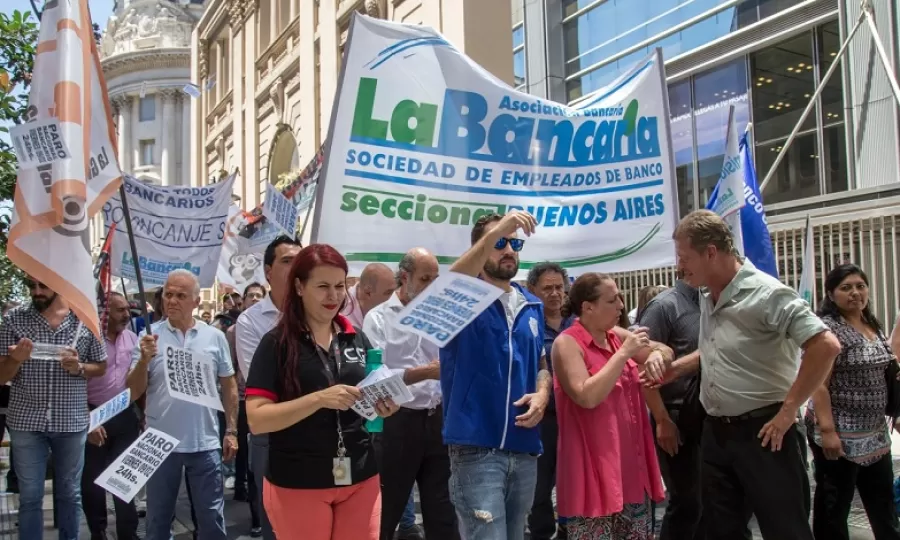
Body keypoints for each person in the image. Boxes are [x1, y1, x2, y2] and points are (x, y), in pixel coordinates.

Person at [672, 209, 841, 540]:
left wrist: (789, 409)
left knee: (784, 529)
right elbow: (719, 349)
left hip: (767, 433)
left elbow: (825, 345)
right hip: (717, 434)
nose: (679, 266)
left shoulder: (767, 293)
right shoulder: (707, 295)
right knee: (721, 530)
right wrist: (675, 369)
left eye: (683, 257)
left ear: (710, 252)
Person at [245, 244, 400, 540]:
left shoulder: (356, 338)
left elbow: (372, 393)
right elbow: (257, 419)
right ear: (300, 287)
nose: (334, 296)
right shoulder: (276, 343)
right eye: (323, 286)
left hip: (360, 475)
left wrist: (384, 405)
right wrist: (319, 399)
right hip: (298, 481)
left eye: (340, 286)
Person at [441, 211, 552, 540]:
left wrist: (543, 394)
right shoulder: (461, 299)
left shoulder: (532, 305)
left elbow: (542, 366)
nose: (509, 250)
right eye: (499, 242)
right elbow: (447, 287)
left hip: (524, 448)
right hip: (476, 450)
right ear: (478, 249)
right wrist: (499, 229)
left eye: (514, 243)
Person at [552, 273, 668, 539]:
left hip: (630, 471)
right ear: (587, 307)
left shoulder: (616, 336)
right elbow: (586, 396)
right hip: (593, 473)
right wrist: (624, 354)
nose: (621, 306)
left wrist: (657, 356)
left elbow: (663, 350)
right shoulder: (567, 343)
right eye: (612, 300)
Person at [126, 269, 239, 540]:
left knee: (211, 519)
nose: (172, 301)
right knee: (158, 520)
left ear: (196, 302)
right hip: (159, 444)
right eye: (168, 294)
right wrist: (143, 360)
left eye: (180, 295)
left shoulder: (215, 337)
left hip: (205, 443)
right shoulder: (148, 339)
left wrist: (231, 430)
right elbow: (132, 392)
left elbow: (229, 385)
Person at [0, 275, 108, 539]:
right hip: (26, 422)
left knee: (70, 494)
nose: (37, 292)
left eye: (43, 286)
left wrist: (80, 367)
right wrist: (15, 359)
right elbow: (1, 375)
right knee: (30, 497)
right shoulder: (13, 320)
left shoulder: (84, 320)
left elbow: (101, 366)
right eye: (31, 286)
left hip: (70, 422)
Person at [363, 247, 458, 540]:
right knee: (385, 509)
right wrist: (424, 373)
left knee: (443, 511)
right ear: (405, 278)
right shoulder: (378, 319)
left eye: (436, 279)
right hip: (396, 424)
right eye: (426, 278)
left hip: (437, 421)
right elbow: (376, 380)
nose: (433, 286)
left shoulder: (440, 317)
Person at [806, 264, 900, 539]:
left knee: (883, 506)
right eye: (846, 288)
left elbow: (887, 373)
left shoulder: (871, 323)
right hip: (840, 435)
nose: (855, 293)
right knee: (834, 508)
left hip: (875, 434)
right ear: (831, 295)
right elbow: (818, 384)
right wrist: (828, 432)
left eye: (860, 286)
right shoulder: (827, 331)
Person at [236, 235, 303, 540]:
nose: (296, 267)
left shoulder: (317, 314)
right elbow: (260, 384)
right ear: (268, 272)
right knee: (276, 526)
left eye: (299, 260)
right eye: (287, 261)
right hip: (271, 437)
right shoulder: (250, 322)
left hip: (317, 436)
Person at [82, 292, 142, 540]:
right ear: (104, 312)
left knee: (125, 479)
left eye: (127, 309)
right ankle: (98, 532)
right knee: (92, 482)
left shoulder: (133, 339)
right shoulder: (87, 338)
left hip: (125, 416)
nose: (126, 315)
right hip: (92, 415)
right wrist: (87, 419)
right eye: (120, 310)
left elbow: (140, 379)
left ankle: (128, 533)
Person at [525, 262, 574, 540]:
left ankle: (569, 529)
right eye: (548, 288)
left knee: (573, 479)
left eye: (559, 288)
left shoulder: (578, 322)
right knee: (540, 486)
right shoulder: (528, 326)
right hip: (543, 420)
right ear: (533, 290)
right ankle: (541, 533)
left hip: (577, 419)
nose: (555, 293)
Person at [226, 282, 267, 537]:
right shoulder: (234, 330)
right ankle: (255, 513)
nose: (254, 298)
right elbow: (228, 368)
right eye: (250, 295)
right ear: (243, 301)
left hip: (266, 401)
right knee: (246, 454)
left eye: (258, 295)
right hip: (243, 399)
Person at [342, 263, 396, 327]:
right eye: (389, 293)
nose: (394, 297)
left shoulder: (396, 309)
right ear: (368, 293)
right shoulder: (340, 311)